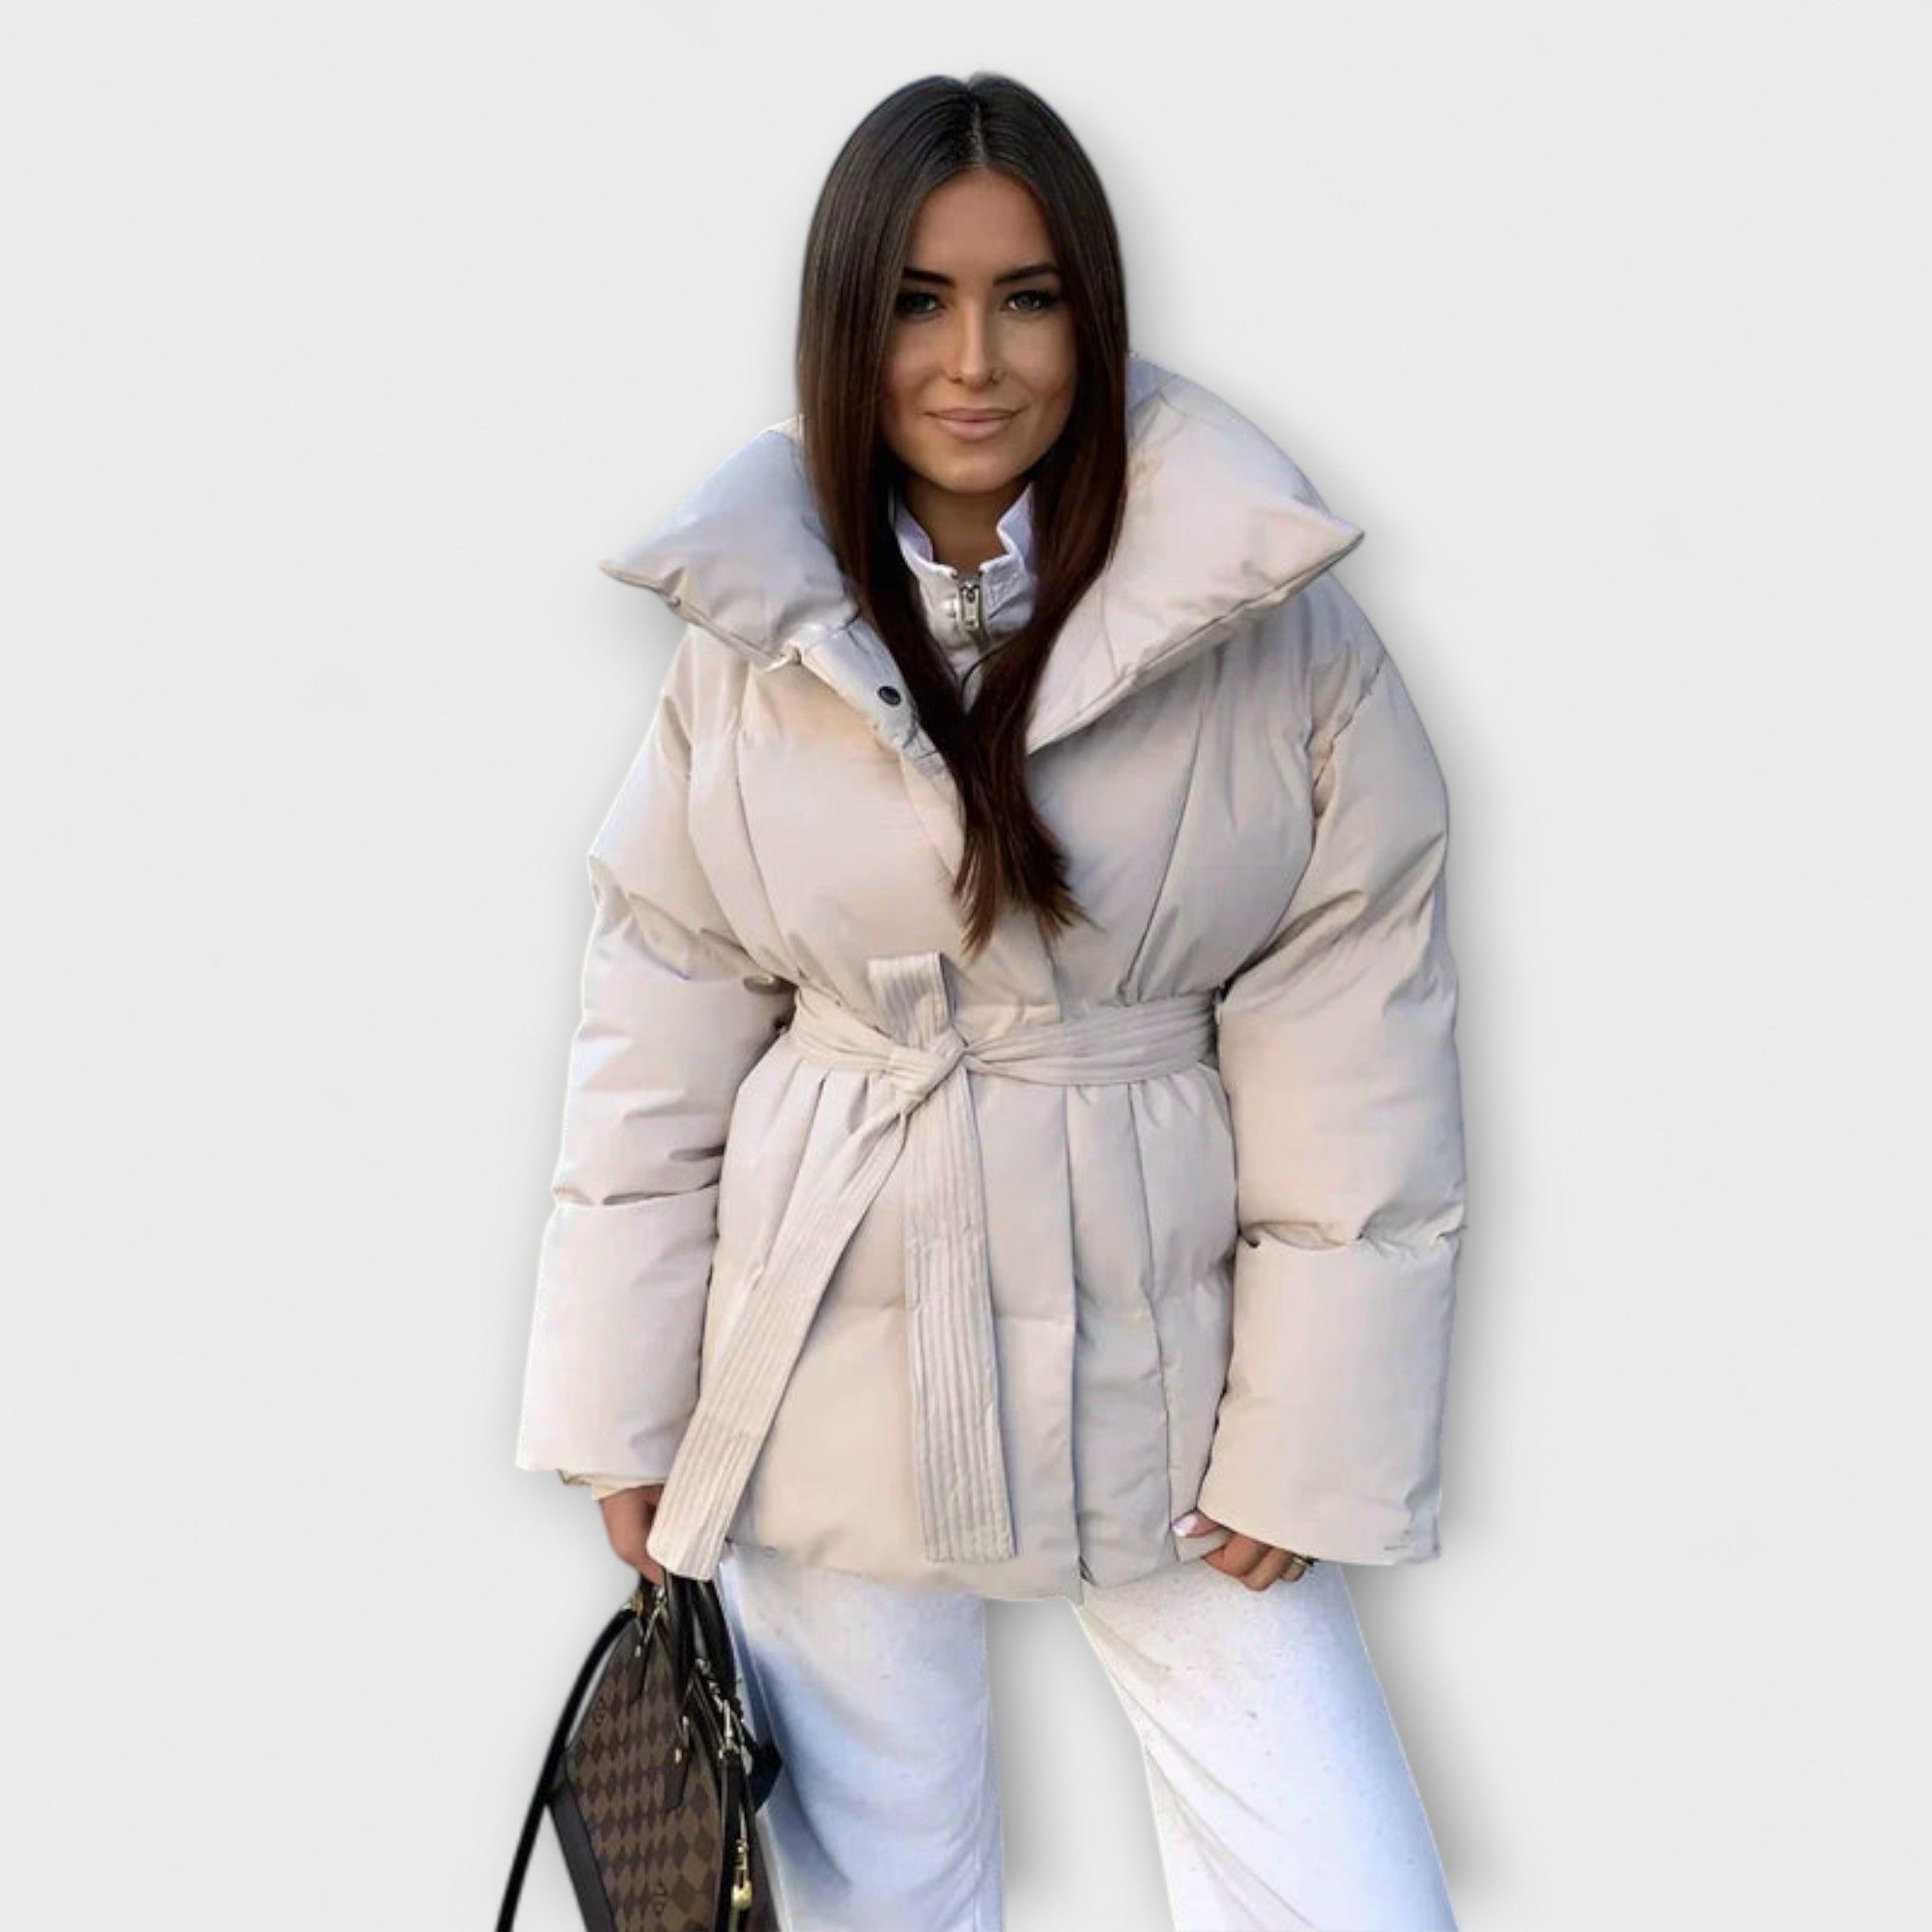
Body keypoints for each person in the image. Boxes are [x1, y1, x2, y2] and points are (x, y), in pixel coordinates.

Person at [514, 70, 1466, 1932]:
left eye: (1026, 298)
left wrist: (1315, 1432)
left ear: (1092, 313)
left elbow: (1359, 1029)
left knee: (1339, 1890)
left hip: (1165, 1351)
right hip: (823, 1332)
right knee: (877, 1898)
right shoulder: (752, 630)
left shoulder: (1268, 624)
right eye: (916, 302)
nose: (973, 362)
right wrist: (620, 1407)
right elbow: (659, 1015)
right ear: (842, 323)